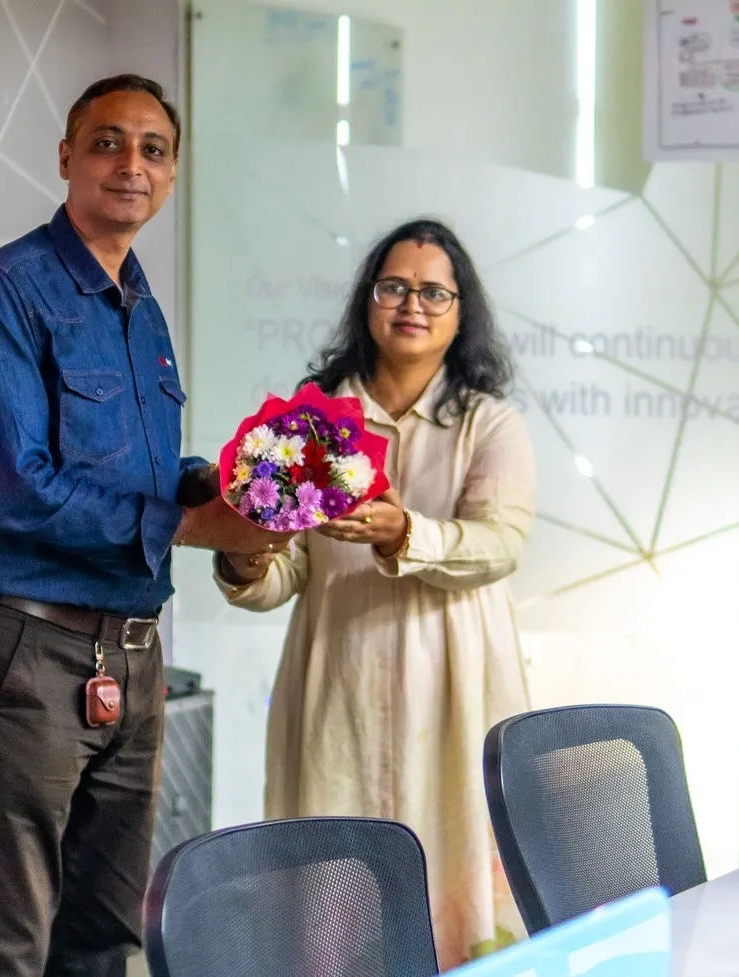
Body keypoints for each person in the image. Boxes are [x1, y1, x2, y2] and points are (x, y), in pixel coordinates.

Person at [0, 74, 280, 977]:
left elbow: (132, 468)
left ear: (172, 173)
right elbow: (15, 490)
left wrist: (229, 486)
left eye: (153, 149)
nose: (132, 164)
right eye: (107, 142)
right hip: (26, 653)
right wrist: (191, 526)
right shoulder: (3, 292)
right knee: (5, 943)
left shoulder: (140, 305)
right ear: (66, 157)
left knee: (102, 934)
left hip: (132, 653)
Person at [215, 219, 537, 966]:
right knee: (335, 907)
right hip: (338, 685)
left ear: (460, 311)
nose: (412, 304)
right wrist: (244, 556)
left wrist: (404, 533)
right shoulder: (311, 424)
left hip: (456, 692)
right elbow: (288, 572)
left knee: (459, 894)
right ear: (368, 300)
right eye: (394, 287)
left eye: (433, 292)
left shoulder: (489, 423)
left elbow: (500, 544)